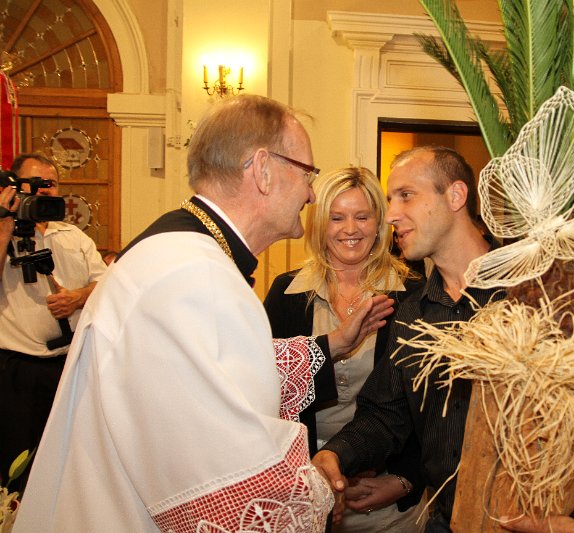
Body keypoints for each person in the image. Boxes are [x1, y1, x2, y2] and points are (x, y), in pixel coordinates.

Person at [14, 95, 393, 532]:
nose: (310, 194)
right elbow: (226, 476)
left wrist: (331, 346)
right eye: (307, 173)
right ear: (263, 170)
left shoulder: (182, 251)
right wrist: (321, 489)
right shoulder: (196, 273)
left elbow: (202, 377)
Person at [312, 145, 574, 533]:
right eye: (390, 199)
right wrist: (337, 454)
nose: (390, 215)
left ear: (455, 195)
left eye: (406, 195)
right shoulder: (414, 314)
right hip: (447, 521)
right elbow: (386, 415)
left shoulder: (548, 289)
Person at [265, 166, 426, 532]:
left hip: (387, 504)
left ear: (379, 223)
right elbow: (266, 392)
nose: (350, 229)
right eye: (337, 218)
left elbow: (430, 405)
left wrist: (405, 479)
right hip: (304, 495)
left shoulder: (413, 294)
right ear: (320, 224)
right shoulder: (286, 294)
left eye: (362, 217)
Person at [0, 153, 106, 491]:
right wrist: (5, 225)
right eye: (37, 184)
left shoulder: (72, 236)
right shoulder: (3, 233)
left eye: (52, 183)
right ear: (14, 187)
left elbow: (107, 282)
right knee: (17, 461)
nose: (46, 190)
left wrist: (79, 297)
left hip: (69, 365)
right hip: (18, 371)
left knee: (66, 461)